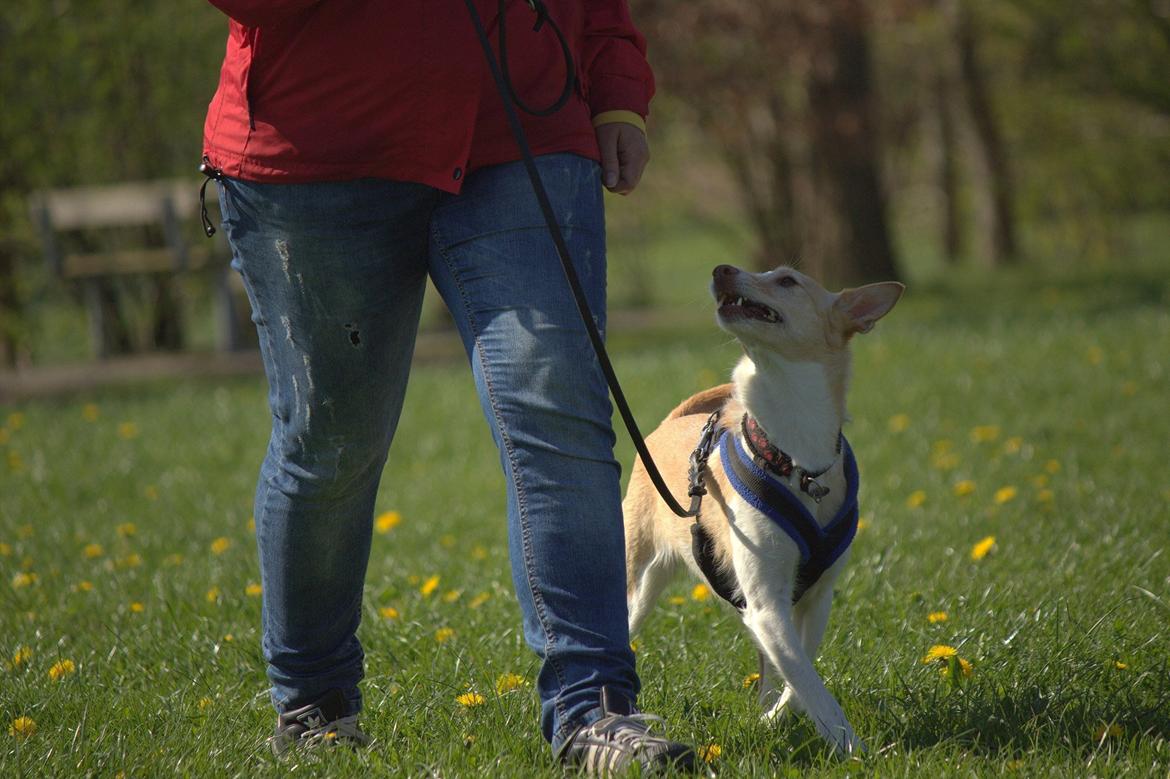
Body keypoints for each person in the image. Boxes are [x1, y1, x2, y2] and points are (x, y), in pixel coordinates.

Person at [201, 0, 695, 772]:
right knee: (331, 442)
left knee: (558, 412)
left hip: (522, 126)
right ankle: (315, 708)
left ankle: (593, 709)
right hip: (321, 148)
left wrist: (616, 84)